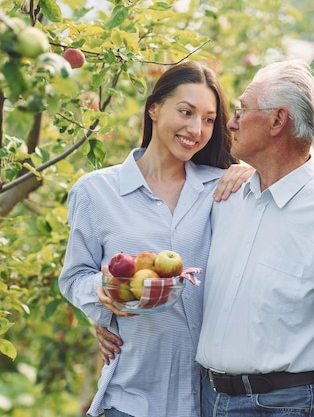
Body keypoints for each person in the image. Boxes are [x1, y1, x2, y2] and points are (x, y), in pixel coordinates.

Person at [58, 60, 252, 417]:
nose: (196, 129)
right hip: (132, 396)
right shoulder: (97, 192)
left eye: (209, 119)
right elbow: (73, 278)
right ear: (154, 108)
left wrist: (253, 170)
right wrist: (101, 298)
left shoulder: (224, 187)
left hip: (213, 402)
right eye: (186, 111)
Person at [196, 59, 314, 416]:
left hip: (288, 407)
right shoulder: (228, 199)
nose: (231, 122)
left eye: (241, 109)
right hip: (211, 400)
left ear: (277, 120)